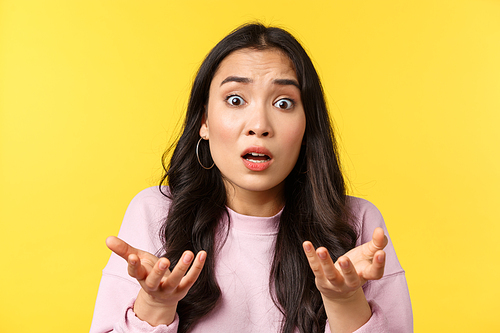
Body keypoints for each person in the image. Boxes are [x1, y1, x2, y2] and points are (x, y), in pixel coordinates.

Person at [90, 23, 412, 333]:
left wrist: (345, 301)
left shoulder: (357, 223)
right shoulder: (156, 213)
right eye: (235, 100)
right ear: (203, 120)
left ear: (307, 127)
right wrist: (154, 305)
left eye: (284, 103)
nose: (259, 124)